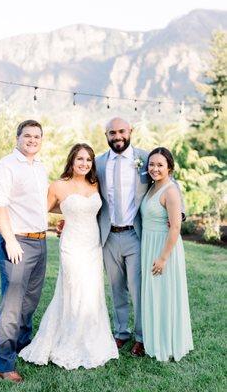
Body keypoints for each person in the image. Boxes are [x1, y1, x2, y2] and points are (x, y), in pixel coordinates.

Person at [19, 143, 119, 369]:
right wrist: (66, 214)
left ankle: (91, 339)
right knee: (73, 289)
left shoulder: (95, 184)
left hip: (93, 245)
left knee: (92, 291)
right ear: (71, 161)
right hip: (72, 245)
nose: (84, 164)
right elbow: (43, 209)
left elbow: (97, 210)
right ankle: (68, 340)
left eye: (88, 160)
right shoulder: (58, 185)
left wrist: (68, 213)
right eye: (80, 159)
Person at [0, 119, 49, 383]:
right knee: (12, 306)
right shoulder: (5, 167)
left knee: (30, 302)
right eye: (27, 136)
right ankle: (4, 364)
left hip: (40, 241)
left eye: (37, 136)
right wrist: (10, 240)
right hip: (17, 243)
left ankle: (23, 347)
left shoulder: (40, 168)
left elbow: (37, 204)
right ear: (17, 138)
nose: (32, 140)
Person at [95, 117, 150, 357]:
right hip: (109, 236)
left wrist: (177, 211)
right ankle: (121, 332)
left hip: (134, 235)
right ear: (106, 135)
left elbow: (169, 180)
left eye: (122, 131)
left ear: (131, 131)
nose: (118, 137)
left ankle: (141, 336)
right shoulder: (97, 163)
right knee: (116, 288)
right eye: (112, 133)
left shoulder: (146, 159)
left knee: (136, 289)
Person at [140, 147, 193, 361]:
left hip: (164, 248)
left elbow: (175, 228)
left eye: (160, 165)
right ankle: (153, 339)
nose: (155, 168)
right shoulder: (152, 188)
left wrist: (163, 258)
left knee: (165, 293)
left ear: (169, 167)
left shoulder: (170, 191)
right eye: (151, 164)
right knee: (154, 293)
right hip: (149, 244)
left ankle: (167, 342)